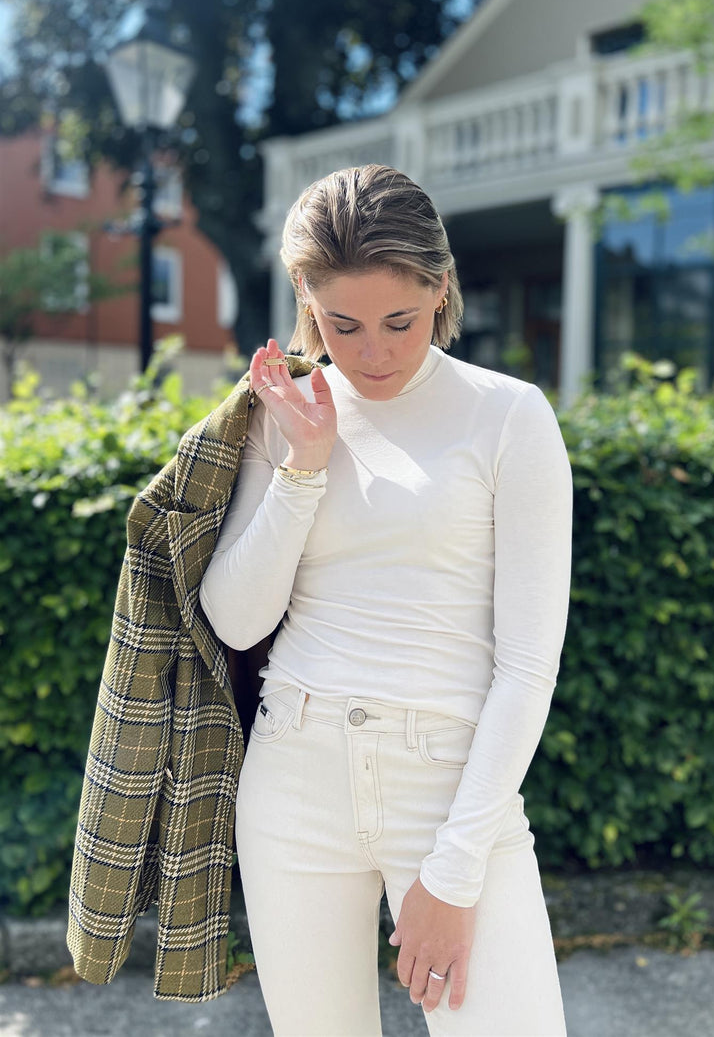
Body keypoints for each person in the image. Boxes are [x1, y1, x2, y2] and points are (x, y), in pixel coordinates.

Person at [198, 164, 572, 1037]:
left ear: (440, 288)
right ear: (306, 297)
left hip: (448, 783)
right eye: (343, 324)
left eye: (400, 321)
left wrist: (456, 868)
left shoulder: (508, 416)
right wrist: (302, 465)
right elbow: (237, 619)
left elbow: (527, 666)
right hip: (294, 776)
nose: (371, 352)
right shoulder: (285, 411)